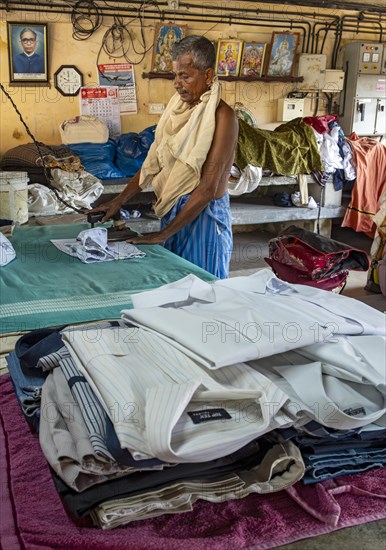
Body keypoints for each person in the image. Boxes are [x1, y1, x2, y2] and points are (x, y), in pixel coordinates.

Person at [90, 35, 238, 278]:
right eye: (176, 76)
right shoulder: (175, 109)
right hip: (173, 212)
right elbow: (153, 162)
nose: (177, 84)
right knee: (172, 289)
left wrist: (164, 233)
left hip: (203, 218)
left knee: (202, 291)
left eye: (185, 76)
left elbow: (209, 188)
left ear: (208, 75)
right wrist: (118, 201)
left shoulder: (224, 117)